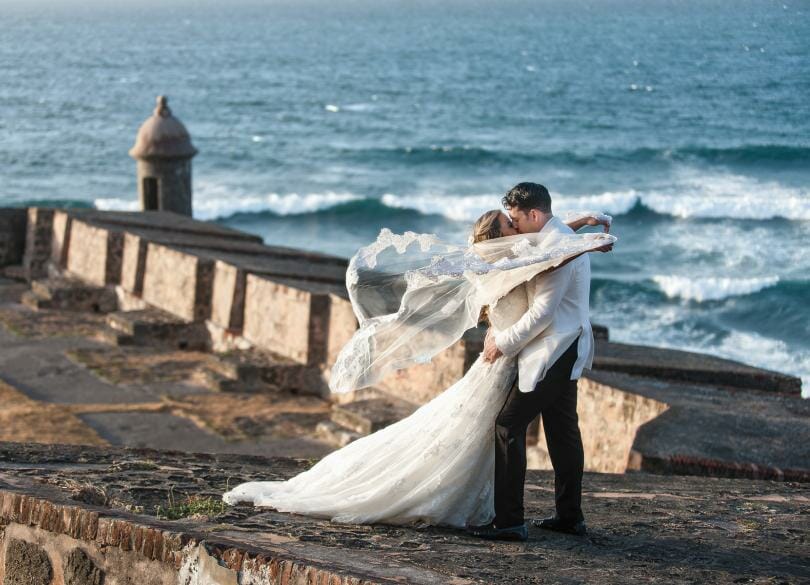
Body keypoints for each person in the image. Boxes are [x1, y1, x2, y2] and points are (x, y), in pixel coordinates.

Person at [222, 192, 613, 534]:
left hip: (533, 351)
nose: (515, 226)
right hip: (512, 354)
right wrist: (586, 243)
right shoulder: (507, 264)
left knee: (542, 430)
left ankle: (549, 517)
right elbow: (550, 260)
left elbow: (549, 249)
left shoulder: (524, 251)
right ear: (500, 240)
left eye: (515, 219)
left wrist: (578, 229)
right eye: (508, 224)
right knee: (513, 429)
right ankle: (517, 519)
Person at [470, 182, 597, 541]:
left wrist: (503, 343)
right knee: (562, 432)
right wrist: (583, 220)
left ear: (534, 215)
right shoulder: (556, 237)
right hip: (567, 345)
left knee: (508, 425)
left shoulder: (560, 252)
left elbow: (542, 313)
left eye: (515, 219)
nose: (514, 226)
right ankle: (570, 517)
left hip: (556, 349)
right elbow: (550, 234)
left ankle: (509, 521)